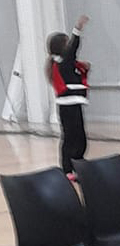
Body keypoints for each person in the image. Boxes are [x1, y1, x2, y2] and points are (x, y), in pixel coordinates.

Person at [46, 15, 90, 177]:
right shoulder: (63, 61)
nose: (69, 46)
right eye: (66, 43)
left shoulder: (65, 64)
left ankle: (77, 163)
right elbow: (73, 48)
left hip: (73, 104)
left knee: (78, 135)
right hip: (68, 105)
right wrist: (77, 29)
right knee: (72, 136)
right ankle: (68, 168)